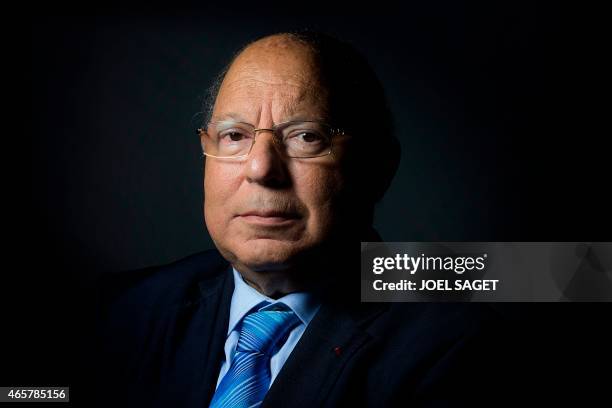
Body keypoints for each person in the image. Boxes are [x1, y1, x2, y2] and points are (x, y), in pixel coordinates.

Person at [88, 31, 520, 407]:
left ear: (378, 168)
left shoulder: (457, 346)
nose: (260, 169)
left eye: (306, 137)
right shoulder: (118, 314)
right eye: (234, 136)